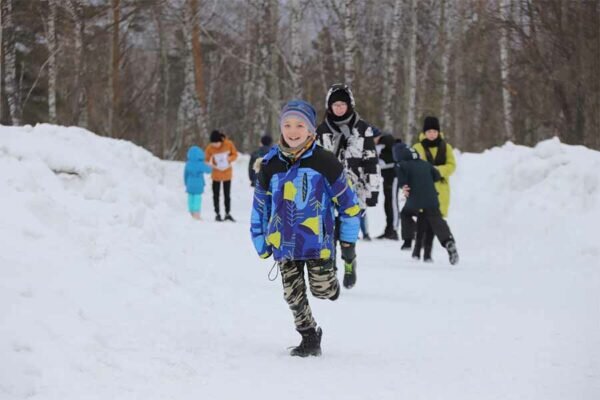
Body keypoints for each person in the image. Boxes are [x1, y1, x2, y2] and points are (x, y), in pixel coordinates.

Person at [250, 100, 360, 357]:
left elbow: (349, 205)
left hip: (317, 242)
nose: (293, 130)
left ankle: (331, 286)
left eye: (300, 125)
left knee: (322, 290)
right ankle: (309, 336)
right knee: (292, 294)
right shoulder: (270, 164)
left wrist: (347, 241)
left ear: (311, 130)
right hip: (283, 241)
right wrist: (260, 240)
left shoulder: (326, 162)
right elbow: (260, 206)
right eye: (287, 124)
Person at [316, 83, 380, 289]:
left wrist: (373, 190)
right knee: (328, 229)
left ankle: (349, 261)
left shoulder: (363, 129)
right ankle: (331, 268)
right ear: (329, 106)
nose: (339, 108)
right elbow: (313, 161)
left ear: (349, 105)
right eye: (335, 104)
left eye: (343, 104)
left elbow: (371, 160)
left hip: (354, 187)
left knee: (349, 229)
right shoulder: (321, 130)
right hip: (327, 187)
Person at [392, 143, 459, 265]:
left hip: (415, 199)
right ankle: (448, 242)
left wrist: (404, 186)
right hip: (432, 198)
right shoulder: (426, 164)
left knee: (405, 214)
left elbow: (402, 181)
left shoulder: (401, 164)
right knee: (436, 221)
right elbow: (437, 176)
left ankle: (408, 240)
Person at [411, 116, 456, 261]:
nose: (432, 134)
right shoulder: (418, 148)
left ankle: (427, 253)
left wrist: (438, 171)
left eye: (434, 131)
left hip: (441, 191)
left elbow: (451, 165)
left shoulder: (446, 147)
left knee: (433, 222)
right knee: (422, 221)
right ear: (424, 132)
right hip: (423, 189)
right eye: (429, 131)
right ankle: (417, 250)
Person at [205, 130, 238, 222]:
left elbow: (235, 154)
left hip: (227, 172)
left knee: (227, 194)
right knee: (216, 194)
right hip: (216, 173)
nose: (215, 145)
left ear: (220, 140)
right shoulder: (209, 148)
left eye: (216, 143)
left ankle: (227, 213)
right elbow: (206, 159)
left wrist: (229, 158)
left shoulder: (228, 144)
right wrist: (209, 164)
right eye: (213, 144)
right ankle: (217, 213)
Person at [375, 132, 402, 240]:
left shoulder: (386, 141)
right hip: (387, 177)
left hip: (393, 176)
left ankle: (394, 229)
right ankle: (389, 229)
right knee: (387, 203)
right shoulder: (381, 145)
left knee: (392, 202)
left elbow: (391, 158)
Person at [183, 146, 212, 220]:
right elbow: (208, 171)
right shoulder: (200, 164)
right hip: (198, 185)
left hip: (190, 184)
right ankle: (196, 214)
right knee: (197, 198)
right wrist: (210, 166)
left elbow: (185, 174)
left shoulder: (188, 163)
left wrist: (186, 183)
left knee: (190, 197)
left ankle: (191, 211)